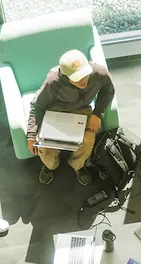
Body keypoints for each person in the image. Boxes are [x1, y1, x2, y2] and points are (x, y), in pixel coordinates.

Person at [26, 49, 116, 187]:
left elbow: (108, 90)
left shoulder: (100, 73)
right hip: (56, 112)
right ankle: (49, 166)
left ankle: (77, 165)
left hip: (82, 110)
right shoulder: (53, 82)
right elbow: (37, 106)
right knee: (46, 145)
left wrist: (97, 113)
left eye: (84, 75)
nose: (83, 81)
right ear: (65, 76)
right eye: (77, 78)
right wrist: (31, 135)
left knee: (87, 141)